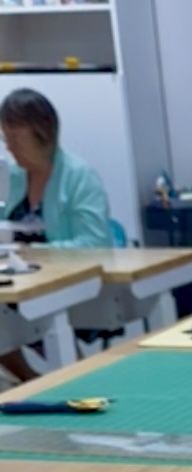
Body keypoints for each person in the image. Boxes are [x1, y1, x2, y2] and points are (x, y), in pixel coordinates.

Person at [0, 88, 112, 383]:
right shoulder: (12, 176)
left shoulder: (79, 176)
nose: (9, 148)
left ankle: (80, 385)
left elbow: (95, 244)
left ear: (43, 133)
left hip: (74, 283)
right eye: (6, 139)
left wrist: (31, 253)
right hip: (21, 285)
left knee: (37, 316)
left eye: (16, 139)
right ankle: (33, 383)